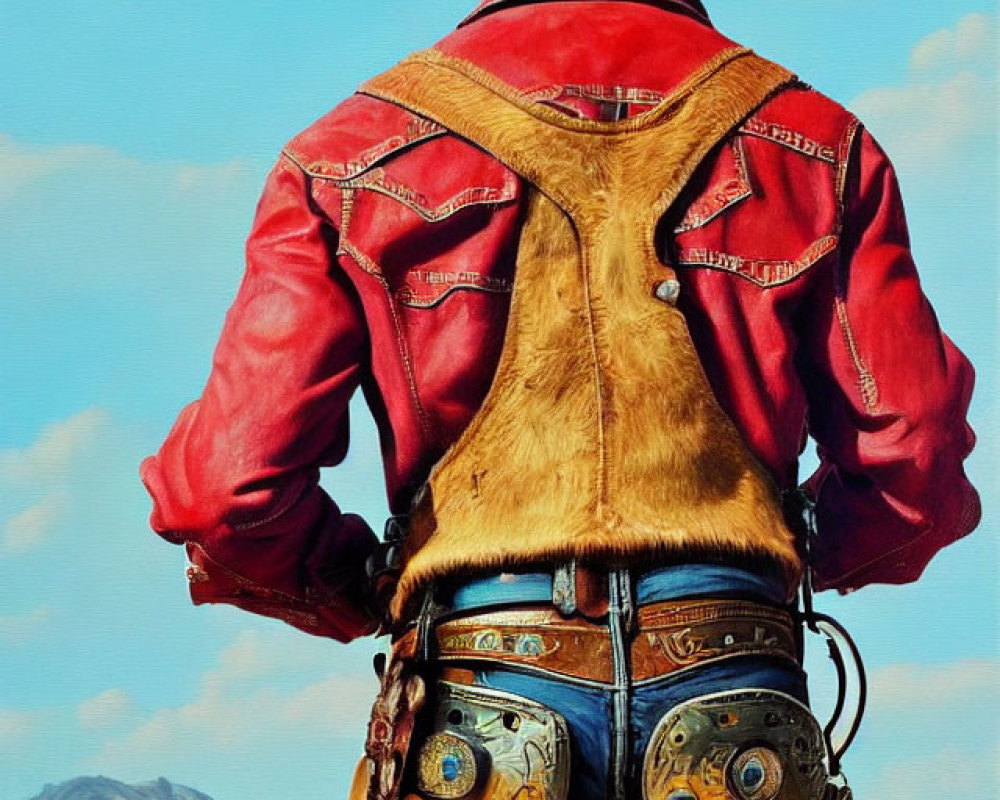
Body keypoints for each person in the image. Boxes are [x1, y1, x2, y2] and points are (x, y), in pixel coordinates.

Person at [140, 1, 980, 798]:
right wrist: (775, 558)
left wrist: (359, 585)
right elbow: (917, 455)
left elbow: (225, 495)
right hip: (736, 683)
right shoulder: (820, 142)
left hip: (479, 692)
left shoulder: (346, 152)